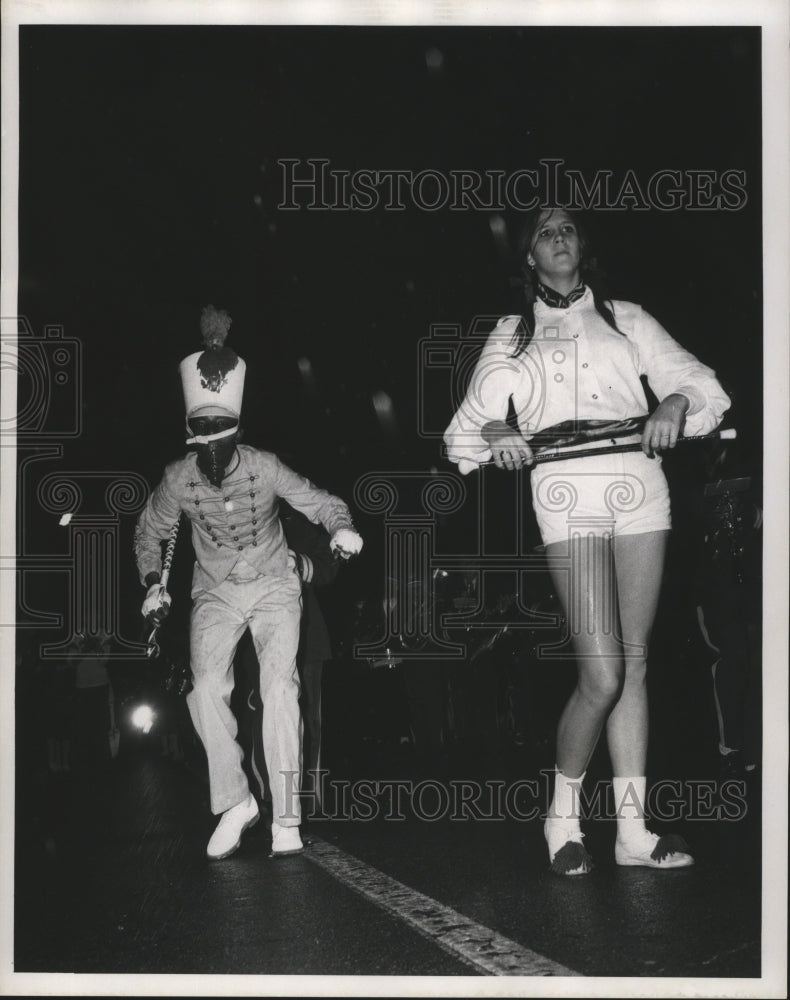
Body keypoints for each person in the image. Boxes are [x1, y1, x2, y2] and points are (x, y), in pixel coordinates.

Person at [444, 209, 731, 874]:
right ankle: (562, 816)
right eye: (545, 232)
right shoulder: (513, 333)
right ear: (528, 259)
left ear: (584, 245)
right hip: (568, 495)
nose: (559, 237)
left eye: (568, 227)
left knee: (635, 664)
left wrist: (673, 406)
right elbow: (463, 429)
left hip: (640, 488)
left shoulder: (627, 316)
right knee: (601, 675)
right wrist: (497, 436)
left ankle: (633, 830)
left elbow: (701, 383)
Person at [134, 305, 362, 861]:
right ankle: (236, 801)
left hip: (274, 585)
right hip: (213, 592)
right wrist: (150, 582)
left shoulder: (267, 466)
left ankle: (287, 816)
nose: (210, 447)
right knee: (205, 690)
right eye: (201, 433)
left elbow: (320, 501)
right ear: (190, 433)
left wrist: (343, 527)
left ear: (236, 432)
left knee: (282, 689)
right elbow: (149, 531)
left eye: (220, 433)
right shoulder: (176, 480)